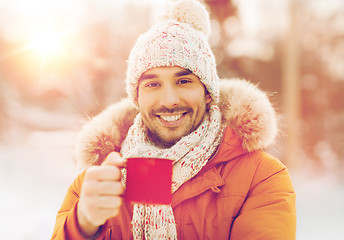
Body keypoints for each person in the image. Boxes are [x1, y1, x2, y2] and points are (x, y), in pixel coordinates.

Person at [51, 0, 296, 239]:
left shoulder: (261, 177)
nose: (169, 100)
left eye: (184, 81)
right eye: (153, 84)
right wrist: (82, 226)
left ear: (208, 92)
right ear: (137, 98)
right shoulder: (96, 184)